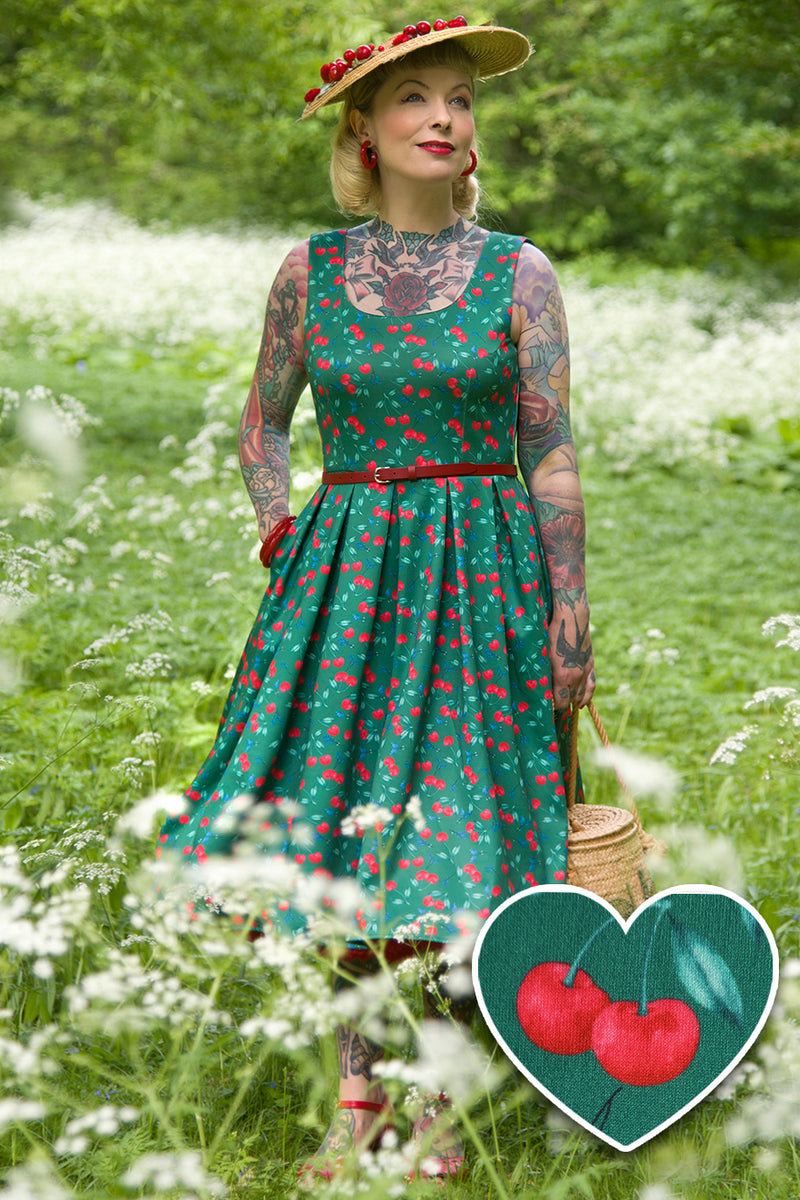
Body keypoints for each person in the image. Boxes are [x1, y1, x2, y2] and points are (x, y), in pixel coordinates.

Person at [157, 15, 595, 1184]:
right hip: (347, 579)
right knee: (353, 840)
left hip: (483, 576)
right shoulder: (310, 270)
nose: (444, 118)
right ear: (363, 129)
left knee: (460, 842)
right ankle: (358, 1110)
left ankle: (437, 1112)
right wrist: (274, 518)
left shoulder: (519, 272)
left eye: (459, 99)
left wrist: (568, 609)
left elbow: (548, 450)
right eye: (415, 100)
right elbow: (263, 419)